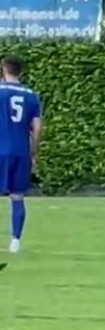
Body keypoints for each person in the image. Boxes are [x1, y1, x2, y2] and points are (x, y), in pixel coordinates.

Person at [0, 57, 42, 253]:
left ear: (4, 70)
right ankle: (15, 241)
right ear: (21, 72)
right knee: (17, 197)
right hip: (21, 151)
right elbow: (37, 128)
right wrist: (33, 153)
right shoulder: (31, 95)